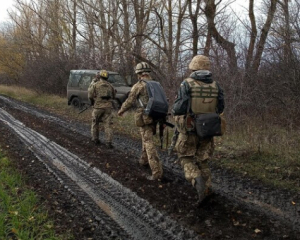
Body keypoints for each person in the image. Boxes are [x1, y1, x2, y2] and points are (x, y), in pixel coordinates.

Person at [172, 55, 225, 203]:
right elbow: (221, 107)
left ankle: (197, 180)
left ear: (193, 67)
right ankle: (207, 187)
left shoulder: (187, 84)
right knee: (203, 159)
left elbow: (179, 107)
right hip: (209, 128)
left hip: (190, 127)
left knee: (185, 157)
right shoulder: (216, 85)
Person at [117, 62, 163, 181]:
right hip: (156, 116)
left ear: (138, 74)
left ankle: (156, 172)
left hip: (145, 116)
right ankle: (143, 160)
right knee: (145, 137)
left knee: (148, 142)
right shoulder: (156, 84)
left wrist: (121, 110)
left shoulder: (139, 85)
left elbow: (130, 100)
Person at [88, 70, 116, 148]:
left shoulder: (95, 85)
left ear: (99, 76)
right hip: (108, 108)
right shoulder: (110, 86)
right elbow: (114, 96)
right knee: (108, 125)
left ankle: (95, 139)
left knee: (95, 123)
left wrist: (92, 102)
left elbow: (90, 95)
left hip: (98, 107)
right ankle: (108, 142)